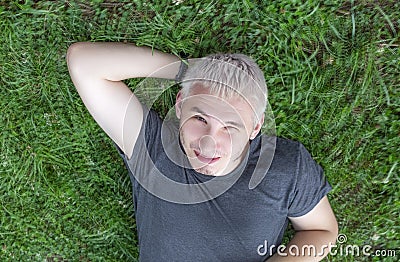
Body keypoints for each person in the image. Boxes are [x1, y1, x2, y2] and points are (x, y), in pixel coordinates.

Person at [67, 42, 338, 261]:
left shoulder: (284, 167)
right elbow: (84, 62)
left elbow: (322, 230)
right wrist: (188, 72)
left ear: (256, 127)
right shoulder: (152, 147)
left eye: (230, 127)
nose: (209, 142)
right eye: (200, 119)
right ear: (180, 105)